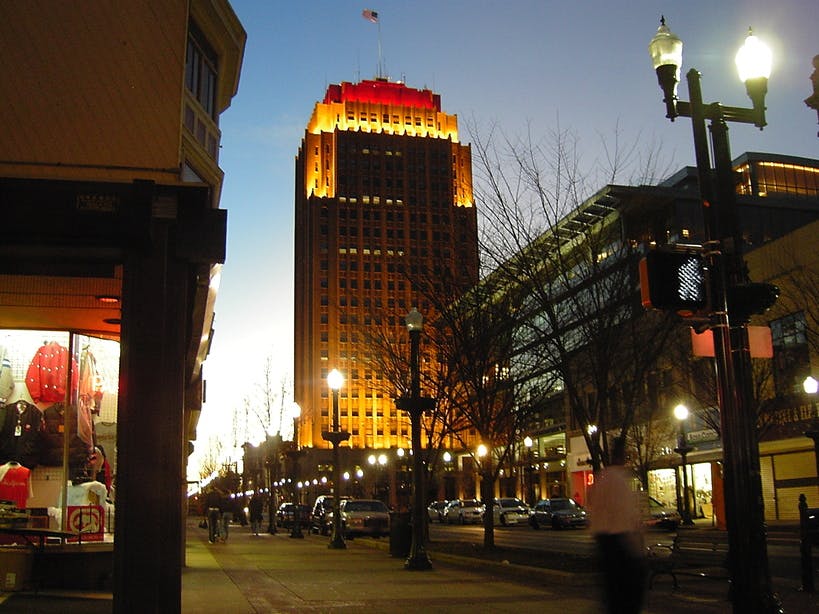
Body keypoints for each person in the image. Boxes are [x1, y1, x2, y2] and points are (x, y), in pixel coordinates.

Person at [587, 436, 646, 614]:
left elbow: (594, 510)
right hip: (618, 542)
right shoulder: (618, 481)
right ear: (623, 456)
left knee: (612, 592)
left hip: (603, 541)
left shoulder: (602, 478)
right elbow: (625, 515)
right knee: (627, 594)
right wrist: (636, 544)